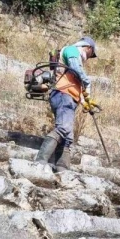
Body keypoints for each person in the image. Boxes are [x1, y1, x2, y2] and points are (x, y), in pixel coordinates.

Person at [35, 36, 98, 171]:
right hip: (63, 95)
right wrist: (87, 82)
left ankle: (62, 169)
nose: (89, 57)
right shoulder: (72, 50)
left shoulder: (75, 59)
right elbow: (76, 69)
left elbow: (75, 83)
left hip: (68, 96)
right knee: (63, 128)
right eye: (90, 54)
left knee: (67, 137)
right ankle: (40, 162)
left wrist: (85, 102)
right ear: (88, 47)